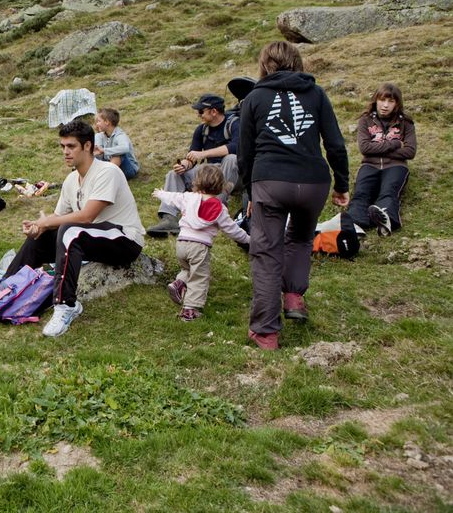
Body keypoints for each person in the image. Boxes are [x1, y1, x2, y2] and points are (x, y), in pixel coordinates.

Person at [238, 41, 349, 350]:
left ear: (264, 65)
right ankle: (294, 299)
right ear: (297, 62)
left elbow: (244, 154)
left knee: (266, 252)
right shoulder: (316, 93)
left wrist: (250, 193)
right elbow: (336, 145)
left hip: (271, 181)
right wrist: (341, 184)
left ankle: (265, 331)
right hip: (313, 182)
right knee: (300, 238)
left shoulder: (254, 97)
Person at [2, 120, 145, 338]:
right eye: (62, 147)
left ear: (87, 146)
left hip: (125, 241)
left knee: (70, 231)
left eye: (71, 146)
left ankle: (66, 306)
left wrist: (48, 222)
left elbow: (87, 216)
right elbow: (58, 217)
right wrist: (37, 227)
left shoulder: (108, 172)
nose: (65, 152)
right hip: (92, 239)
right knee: (43, 236)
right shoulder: (71, 179)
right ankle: (6, 291)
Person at [153, 165, 250, 321]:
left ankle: (179, 283)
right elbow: (232, 229)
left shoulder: (189, 197)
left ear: (196, 183)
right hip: (199, 247)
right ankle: (190, 310)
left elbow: (173, 197)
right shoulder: (220, 209)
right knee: (200, 276)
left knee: (188, 268)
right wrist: (248, 239)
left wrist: (161, 193)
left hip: (181, 243)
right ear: (221, 186)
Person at [147, 93, 239, 237]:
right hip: (209, 173)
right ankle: (169, 217)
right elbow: (192, 156)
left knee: (232, 158)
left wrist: (204, 154)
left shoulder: (234, 123)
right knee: (173, 173)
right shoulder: (201, 130)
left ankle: (215, 207)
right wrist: (185, 165)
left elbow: (236, 147)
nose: (198, 115)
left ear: (214, 111)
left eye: (201, 111)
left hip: (232, 174)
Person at [347, 83, 416, 236]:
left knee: (388, 192)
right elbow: (364, 148)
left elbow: (410, 151)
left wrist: (377, 150)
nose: (385, 105)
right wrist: (396, 144)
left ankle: (387, 221)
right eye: (382, 100)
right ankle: (355, 224)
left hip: (396, 166)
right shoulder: (365, 120)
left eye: (391, 101)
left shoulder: (406, 123)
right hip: (369, 165)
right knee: (360, 193)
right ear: (375, 100)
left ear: (397, 104)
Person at [93, 107, 140, 179]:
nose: (96, 124)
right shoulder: (99, 136)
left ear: (107, 122)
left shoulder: (120, 135)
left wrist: (104, 150)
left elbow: (125, 148)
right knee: (94, 156)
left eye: (98, 121)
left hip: (128, 169)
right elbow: (98, 152)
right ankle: (93, 176)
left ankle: (105, 177)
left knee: (118, 154)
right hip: (110, 166)